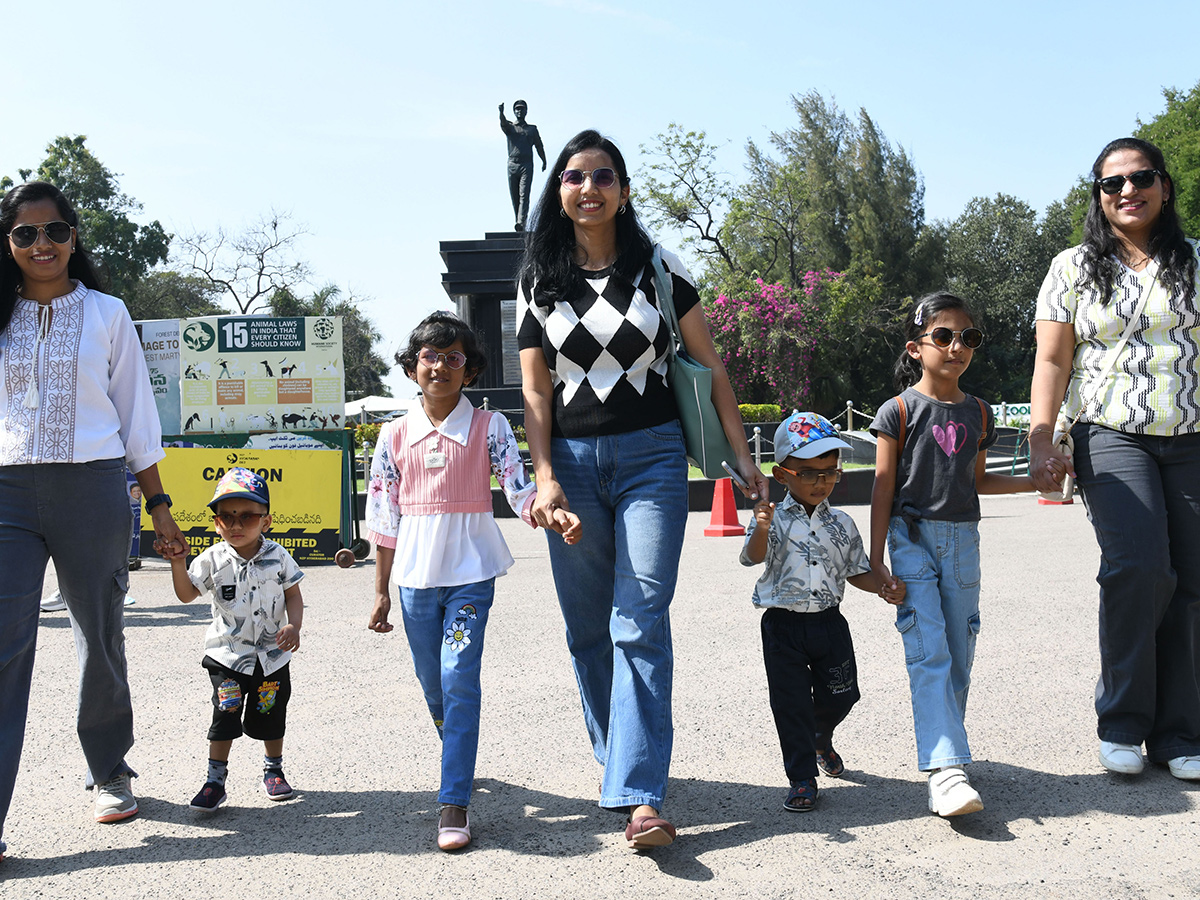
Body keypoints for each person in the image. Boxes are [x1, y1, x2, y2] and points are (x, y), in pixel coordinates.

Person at [517, 129, 768, 849]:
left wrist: (741, 457)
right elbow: (535, 392)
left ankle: (639, 795)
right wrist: (544, 477)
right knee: (587, 629)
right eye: (574, 177)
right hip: (572, 465)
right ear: (559, 194)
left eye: (603, 176)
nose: (589, 188)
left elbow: (709, 365)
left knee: (640, 619)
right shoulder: (537, 279)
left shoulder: (660, 266)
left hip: (652, 460)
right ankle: (619, 759)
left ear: (624, 192)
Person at [0, 182, 188, 861]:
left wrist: (159, 506)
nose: (42, 244)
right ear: (8, 243)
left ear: (74, 237)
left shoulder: (108, 313)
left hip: (93, 487)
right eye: (25, 233)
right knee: (3, 646)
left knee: (100, 635)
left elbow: (136, 415)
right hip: (6, 493)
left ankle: (109, 769)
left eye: (55, 231)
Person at [366, 312, 580, 852]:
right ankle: (456, 743)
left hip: (471, 578)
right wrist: (381, 592)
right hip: (414, 582)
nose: (439, 367)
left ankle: (453, 799)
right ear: (412, 367)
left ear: (471, 370)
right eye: (429, 357)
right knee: (433, 683)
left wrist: (549, 512)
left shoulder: (491, 426)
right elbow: (384, 517)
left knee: (458, 675)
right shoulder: (393, 435)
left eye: (453, 358)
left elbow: (518, 488)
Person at [1029, 137, 1200, 781]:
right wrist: (1041, 437)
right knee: (1138, 566)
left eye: (1142, 177)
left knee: (1192, 581)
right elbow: (1053, 359)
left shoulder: (1197, 262)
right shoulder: (1072, 267)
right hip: (1110, 432)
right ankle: (1124, 721)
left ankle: (1182, 732)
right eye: (1112, 183)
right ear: (1099, 197)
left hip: (1192, 435)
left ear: (1164, 187)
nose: (1128, 190)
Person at [869, 291, 1033, 817]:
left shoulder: (979, 412)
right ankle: (945, 770)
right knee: (929, 649)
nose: (956, 346)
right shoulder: (897, 411)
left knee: (960, 652)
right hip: (910, 539)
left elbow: (978, 480)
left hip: (964, 541)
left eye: (968, 337)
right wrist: (876, 559)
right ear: (916, 347)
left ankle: (949, 754)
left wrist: (1035, 479)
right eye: (943, 336)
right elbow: (882, 486)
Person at [741, 412, 905, 813]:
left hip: (829, 623)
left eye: (830, 472)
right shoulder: (772, 518)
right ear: (782, 475)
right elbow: (752, 557)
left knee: (843, 694)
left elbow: (857, 571)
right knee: (790, 704)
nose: (822, 482)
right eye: (810, 473)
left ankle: (819, 736)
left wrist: (883, 585)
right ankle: (801, 778)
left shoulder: (842, 523)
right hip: (782, 626)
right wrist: (761, 527)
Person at [169, 467, 304, 812]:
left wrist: (294, 626)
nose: (236, 524)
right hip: (227, 657)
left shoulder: (278, 556)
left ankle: (273, 770)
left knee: (271, 713)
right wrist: (178, 562)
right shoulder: (212, 559)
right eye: (226, 517)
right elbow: (186, 594)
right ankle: (215, 781)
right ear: (216, 523)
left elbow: (293, 595)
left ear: (266, 521)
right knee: (225, 713)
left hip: (272, 657)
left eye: (247, 516)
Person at [499, 100, 547, 231]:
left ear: (526, 111)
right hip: (512, 164)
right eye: (517, 109)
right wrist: (501, 113)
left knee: (524, 195)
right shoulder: (510, 128)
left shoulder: (532, 129)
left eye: (522, 109)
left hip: (526, 164)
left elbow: (539, 146)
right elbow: (503, 123)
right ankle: (519, 221)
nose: (519, 111)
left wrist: (544, 160)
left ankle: (521, 221)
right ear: (514, 111)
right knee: (515, 197)